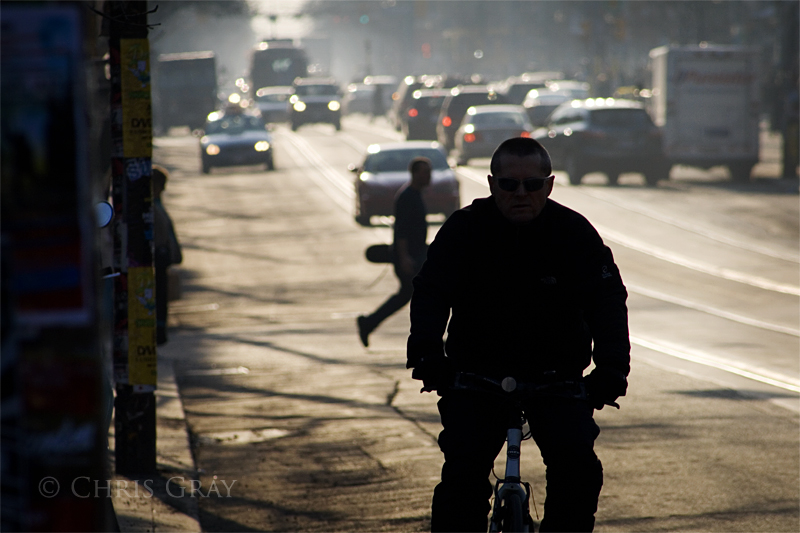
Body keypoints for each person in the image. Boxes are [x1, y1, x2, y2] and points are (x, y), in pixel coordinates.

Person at [407, 137, 630, 532]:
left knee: (577, 473)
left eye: (533, 184)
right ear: (492, 185)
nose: (521, 194)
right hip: (476, 380)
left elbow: (607, 299)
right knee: (461, 480)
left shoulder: (574, 234)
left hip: (557, 382)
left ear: (550, 185)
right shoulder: (464, 230)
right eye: (509, 185)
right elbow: (431, 291)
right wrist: (426, 355)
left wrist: (611, 368)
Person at [357, 157, 432, 347]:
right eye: (425, 172)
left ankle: (368, 323)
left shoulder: (415, 195)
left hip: (416, 256)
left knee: (407, 295)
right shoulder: (408, 197)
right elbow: (401, 231)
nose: (429, 176)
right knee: (422, 296)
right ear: (415, 174)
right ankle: (427, 338)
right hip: (409, 258)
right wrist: (404, 257)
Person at [152, 164, 183, 345]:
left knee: (163, 297)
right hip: (158, 258)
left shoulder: (158, 205)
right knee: (159, 296)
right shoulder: (152, 208)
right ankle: (159, 329)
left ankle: (161, 327)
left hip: (163, 258)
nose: (162, 190)